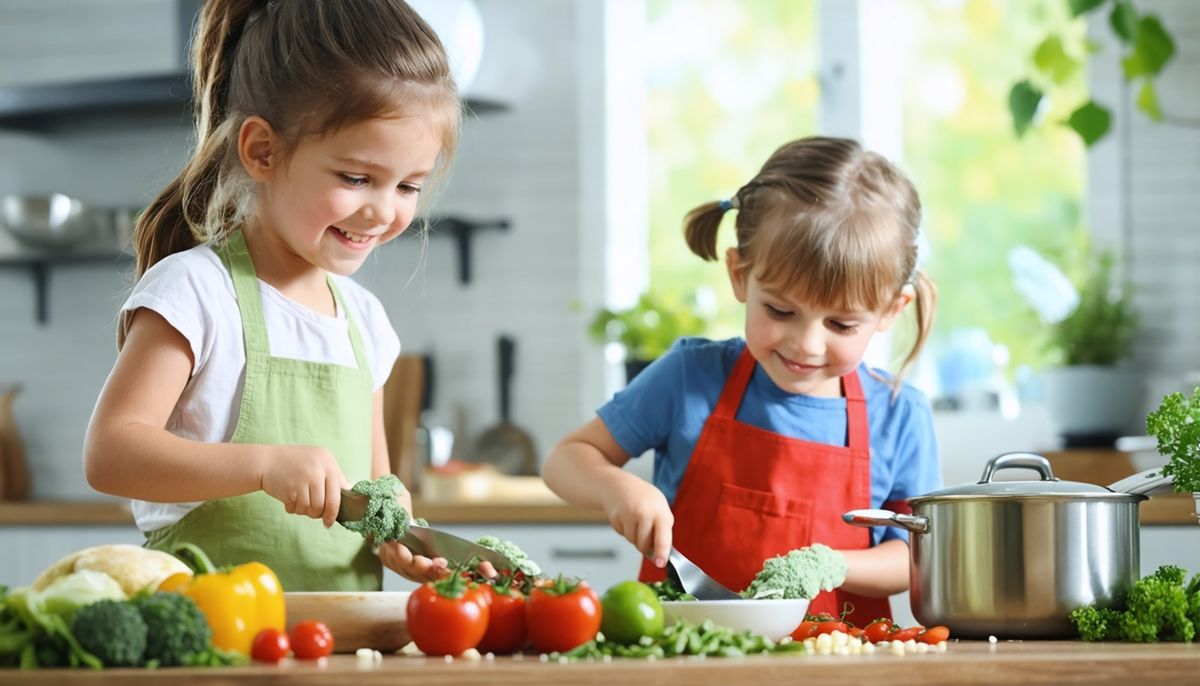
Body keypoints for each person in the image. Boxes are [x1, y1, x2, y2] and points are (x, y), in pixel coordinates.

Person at [83, 0, 462, 592]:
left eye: (408, 186)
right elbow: (110, 454)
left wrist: (398, 539)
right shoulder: (196, 292)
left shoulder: (366, 322)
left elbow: (376, 487)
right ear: (262, 150)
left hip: (343, 639)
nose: (383, 211)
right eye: (356, 178)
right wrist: (262, 465)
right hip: (216, 636)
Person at [543, 136, 941, 627]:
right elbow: (565, 460)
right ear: (738, 275)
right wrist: (617, 488)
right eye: (780, 311)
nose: (806, 344)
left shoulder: (899, 416)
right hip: (685, 654)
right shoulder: (690, 377)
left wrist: (832, 564)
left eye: (841, 324)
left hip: (835, 659)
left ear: (890, 311)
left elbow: (915, 557)